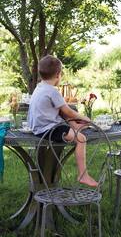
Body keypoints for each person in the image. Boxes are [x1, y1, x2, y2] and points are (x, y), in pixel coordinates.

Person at [28, 55, 98, 187]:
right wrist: (86, 118)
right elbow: (69, 112)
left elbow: (62, 113)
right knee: (81, 139)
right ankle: (83, 175)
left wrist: (75, 121)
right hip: (48, 129)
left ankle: (76, 128)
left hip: (38, 127)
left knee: (63, 115)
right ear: (58, 75)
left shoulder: (39, 88)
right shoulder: (52, 92)